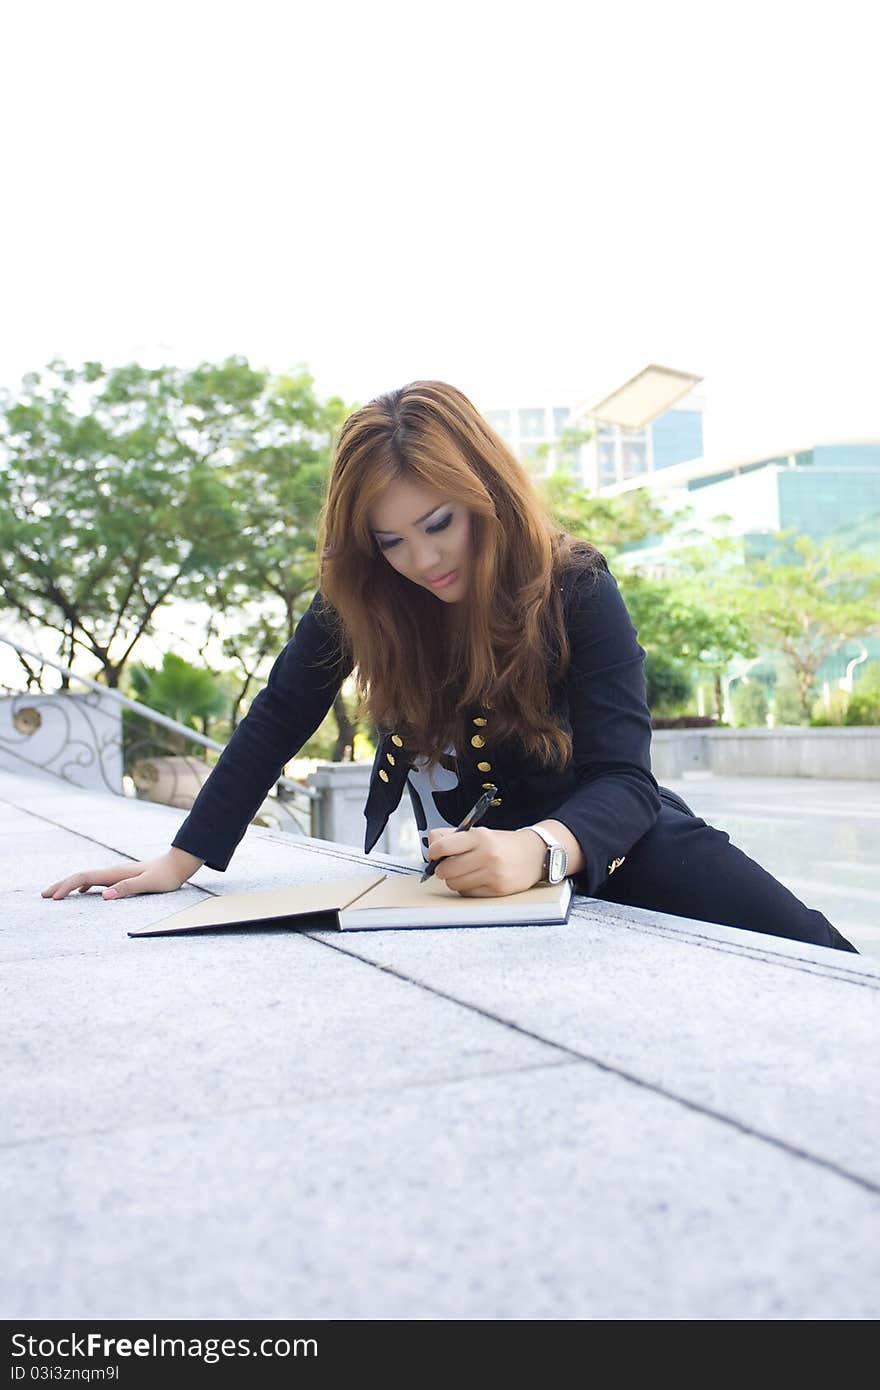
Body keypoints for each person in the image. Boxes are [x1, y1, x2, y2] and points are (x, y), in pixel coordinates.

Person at [42, 381, 858, 953]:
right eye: (390, 540)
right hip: (467, 885)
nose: (421, 559)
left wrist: (539, 849)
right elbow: (278, 717)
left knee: (826, 959)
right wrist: (179, 862)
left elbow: (627, 782)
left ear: (486, 496)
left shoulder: (572, 585)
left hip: (627, 848)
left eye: (439, 524)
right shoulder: (360, 599)